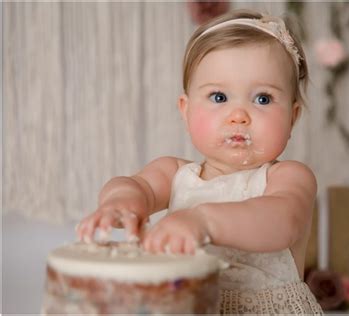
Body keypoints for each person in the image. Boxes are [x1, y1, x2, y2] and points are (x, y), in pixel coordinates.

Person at [76, 9, 323, 314]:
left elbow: (283, 221)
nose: (238, 115)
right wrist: (121, 202)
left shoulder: (288, 178)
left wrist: (203, 221)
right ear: (186, 109)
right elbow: (135, 185)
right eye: (219, 97)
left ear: (293, 116)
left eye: (263, 99)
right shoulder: (175, 173)